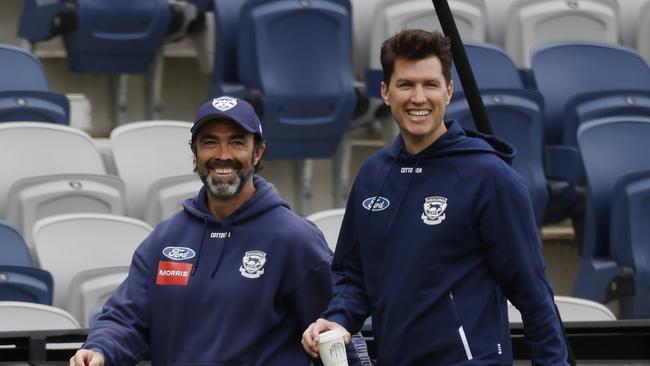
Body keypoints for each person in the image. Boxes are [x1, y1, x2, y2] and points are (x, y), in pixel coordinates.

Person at [302, 29, 570, 365]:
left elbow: (534, 294)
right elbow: (353, 277)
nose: (418, 97)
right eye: (406, 85)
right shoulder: (373, 176)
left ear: (448, 91)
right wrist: (338, 319)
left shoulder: (490, 178)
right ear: (385, 92)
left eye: (430, 84)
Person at [70, 96, 361, 366]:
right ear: (195, 153)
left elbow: (336, 329)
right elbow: (126, 318)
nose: (223, 155)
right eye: (210, 142)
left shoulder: (294, 239)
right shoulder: (165, 239)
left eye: (237, 142)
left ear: (258, 152)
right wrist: (99, 349)